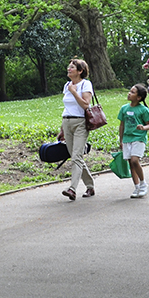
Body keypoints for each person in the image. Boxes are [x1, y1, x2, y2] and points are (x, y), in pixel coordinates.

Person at [58, 58, 95, 201]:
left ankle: (72, 189)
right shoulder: (67, 85)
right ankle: (90, 186)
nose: (69, 69)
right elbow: (67, 107)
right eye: (69, 66)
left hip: (80, 123)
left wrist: (74, 92)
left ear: (80, 71)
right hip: (67, 121)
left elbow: (86, 105)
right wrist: (62, 129)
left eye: (72, 67)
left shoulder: (85, 84)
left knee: (76, 157)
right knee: (75, 156)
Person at [118, 84, 149, 198]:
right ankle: (137, 187)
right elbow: (122, 125)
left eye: (133, 92)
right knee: (130, 164)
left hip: (138, 138)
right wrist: (121, 140)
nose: (129, 93)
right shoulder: (124, 108)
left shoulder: (143, 110)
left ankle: (143, 184)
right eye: (130, 91)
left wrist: (143, 128)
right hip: (127, 139)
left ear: (139, 98)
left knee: (134, 160)